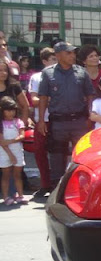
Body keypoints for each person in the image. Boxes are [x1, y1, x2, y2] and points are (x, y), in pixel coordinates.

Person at [37, 41, 95, 185]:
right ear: (58, 55)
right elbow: (43, 97)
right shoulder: (48, 73)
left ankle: (81, 186)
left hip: (79, 121)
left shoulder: (81, 72)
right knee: (57, 157)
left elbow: (90, 95)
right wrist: (41, 120)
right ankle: (57, 188)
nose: (72, 55)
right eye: (68, 53)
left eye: (73, 53)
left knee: (81, 156)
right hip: (58, 123)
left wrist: (89, 116)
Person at [28, 47, 56, 198]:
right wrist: (49, 100)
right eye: (52, 59)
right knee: (40, 152)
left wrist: (44, 99)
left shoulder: (62, 76)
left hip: (58, 120)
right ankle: (45, 184)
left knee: (59, 153)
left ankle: (58, 184)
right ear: (44, 61)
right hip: (42, 120)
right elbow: (34, 100)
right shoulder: (36, 77)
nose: (55, 62)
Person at [0, 96, 27, 205]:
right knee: (6, 175)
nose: (11, 113)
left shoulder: (18, 122)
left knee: (17, 175)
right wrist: (10, 155)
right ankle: (6, 197)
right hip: (4, 152)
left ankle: (20, 195)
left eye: (13, 110)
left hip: (17, 151)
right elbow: (2, 142)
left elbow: (22, 136)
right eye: (8, 110)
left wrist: (10, 141)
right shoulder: (1, 123)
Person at [0, 60, 29, 127]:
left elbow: (25, 106)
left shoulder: (14, 86)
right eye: (0, 70)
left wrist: (22, 125)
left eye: (5, 70)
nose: (3, 73)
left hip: (12, 126)